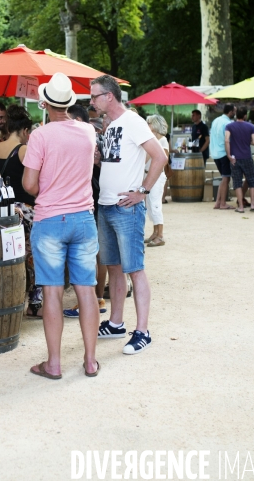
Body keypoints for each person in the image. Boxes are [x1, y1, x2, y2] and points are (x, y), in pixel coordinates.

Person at [22, 72, 100, 379]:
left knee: (52, 292)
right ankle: (91, 361)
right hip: (83, 218)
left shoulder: (40, 135)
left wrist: (49, 186)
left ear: (44, 103)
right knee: (87, 291)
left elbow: (29, 184)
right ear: (70, 103)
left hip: (50, 220)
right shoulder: (88, 132)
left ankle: (53, 364)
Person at [90, 75, 167, 355]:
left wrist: (143, 192)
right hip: (107, 205)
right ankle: (116, 322)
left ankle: (143, 331)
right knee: (113, 268)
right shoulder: (110, 126)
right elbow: (118, 160)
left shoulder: (133, 121)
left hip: (126, 208)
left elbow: (160, 156)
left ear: (109, 96)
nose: (92, 101)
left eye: (95, 96)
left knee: (134, 269)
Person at [0, 105, 42, 317]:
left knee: (10, 257)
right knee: (32, 258)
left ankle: (10, 300)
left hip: (4, 211)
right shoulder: (23, 150)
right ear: (24, 130)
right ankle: (34, 303)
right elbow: (34, 182)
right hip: (26, 211)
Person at [63, 104, 108, 318]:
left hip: (93, 197)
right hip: (93, 198)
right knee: (95, 251)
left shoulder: (90, 138)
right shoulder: (91, 137)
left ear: (78, 121)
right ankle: (95, 298)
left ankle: (94, 299)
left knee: (93, 252)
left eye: (69, 120)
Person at [225, 106, 254, 213]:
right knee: (251, 180)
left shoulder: (229, 126)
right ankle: (253, 203)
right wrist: (247, 141)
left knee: (237, 182)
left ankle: (240, 206)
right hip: (247, 157)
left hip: (234, 158)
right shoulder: (251, 126)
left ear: (236, 115)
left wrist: (229, 155)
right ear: (245, 115)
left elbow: (227, 140)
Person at [144, 115, 169, 247]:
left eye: (150, 123)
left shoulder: (162, 140)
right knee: (150, 206)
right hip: (149, 175)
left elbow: (163, 160)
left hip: (157, 176)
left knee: (155, 205)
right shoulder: (152, 139)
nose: (147, 124)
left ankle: (160, 235)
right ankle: (155, 232)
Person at [210, 104, 236, 210]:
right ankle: (223, 203)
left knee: (224, 178)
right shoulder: (228, 123)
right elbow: (228, 140)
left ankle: (218, 202)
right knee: (226, 178)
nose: (235, 113)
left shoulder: (216, 120)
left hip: (215, 153)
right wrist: (230, 154)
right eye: (234, 111)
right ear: (230, 112)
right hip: (224, 152)